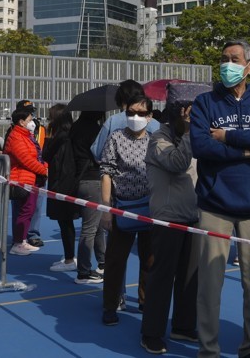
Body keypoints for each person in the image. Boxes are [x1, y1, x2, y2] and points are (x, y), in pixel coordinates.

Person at [190, 39, 250, 358]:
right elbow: (201, 146)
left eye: (234, 59)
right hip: (214, 205)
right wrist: (248, 150)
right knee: (210, 285)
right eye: (224, 58)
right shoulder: (205, 102)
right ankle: (208, 348)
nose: (227, 64)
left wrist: (229, 137)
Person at [140, 82, 212, 354]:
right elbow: (178, 164)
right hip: (168, 217)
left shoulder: (196, 137)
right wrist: (193, 130)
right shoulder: (159, 139)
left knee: (190, 277)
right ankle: (151, 332)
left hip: (193, 216)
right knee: (162, 277)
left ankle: (183, 324)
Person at [100, 93, 156, 325]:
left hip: (150, 207)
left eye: (141, 113)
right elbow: (106, 172)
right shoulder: (115, 138)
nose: (135, 117)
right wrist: (105, 207)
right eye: (131, 113)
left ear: (150, 117)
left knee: (150, 260)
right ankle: (110, 305)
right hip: (122, 206)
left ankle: (146, 300)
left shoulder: (155, 140)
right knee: (115, 260)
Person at [42, 104, 85, 277]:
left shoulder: (60, 137)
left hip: (62, 185)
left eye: (51, 117)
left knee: (65, 223)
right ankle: (70, 256)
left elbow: (47, 156)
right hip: (70, 184)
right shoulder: (72, 135)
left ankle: (69, 259)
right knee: (67, 223)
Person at [69, 109, 109, 284]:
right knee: (90, 228)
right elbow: (100, 154)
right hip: (93, 179)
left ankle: (103, 261)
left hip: (80, 179)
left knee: (97, 224)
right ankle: (84, 272)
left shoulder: (75, 128)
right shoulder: (95, 130)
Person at [5, 107, 48, 256]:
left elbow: (37, 156)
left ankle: (22, 241)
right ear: (21, 122)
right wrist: (44, 170)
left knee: (29, 210)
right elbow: (26, 159)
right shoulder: (16, 136)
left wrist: (44, 166)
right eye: (30, 120)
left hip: (31, 178)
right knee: (24, 211)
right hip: (22, 179)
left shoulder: (27, 136)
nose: (33, 122)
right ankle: (18, 242)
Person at [21, 100, 49, 249]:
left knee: (37, 206)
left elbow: (47, 148)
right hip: (23, 174)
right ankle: (20, 236)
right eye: (28, 112)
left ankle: (33, 234)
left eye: (32, 112)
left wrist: (45, 168)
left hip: (40, 173)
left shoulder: (41, 129)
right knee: (21, 206)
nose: (31, 115)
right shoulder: (15, 130)